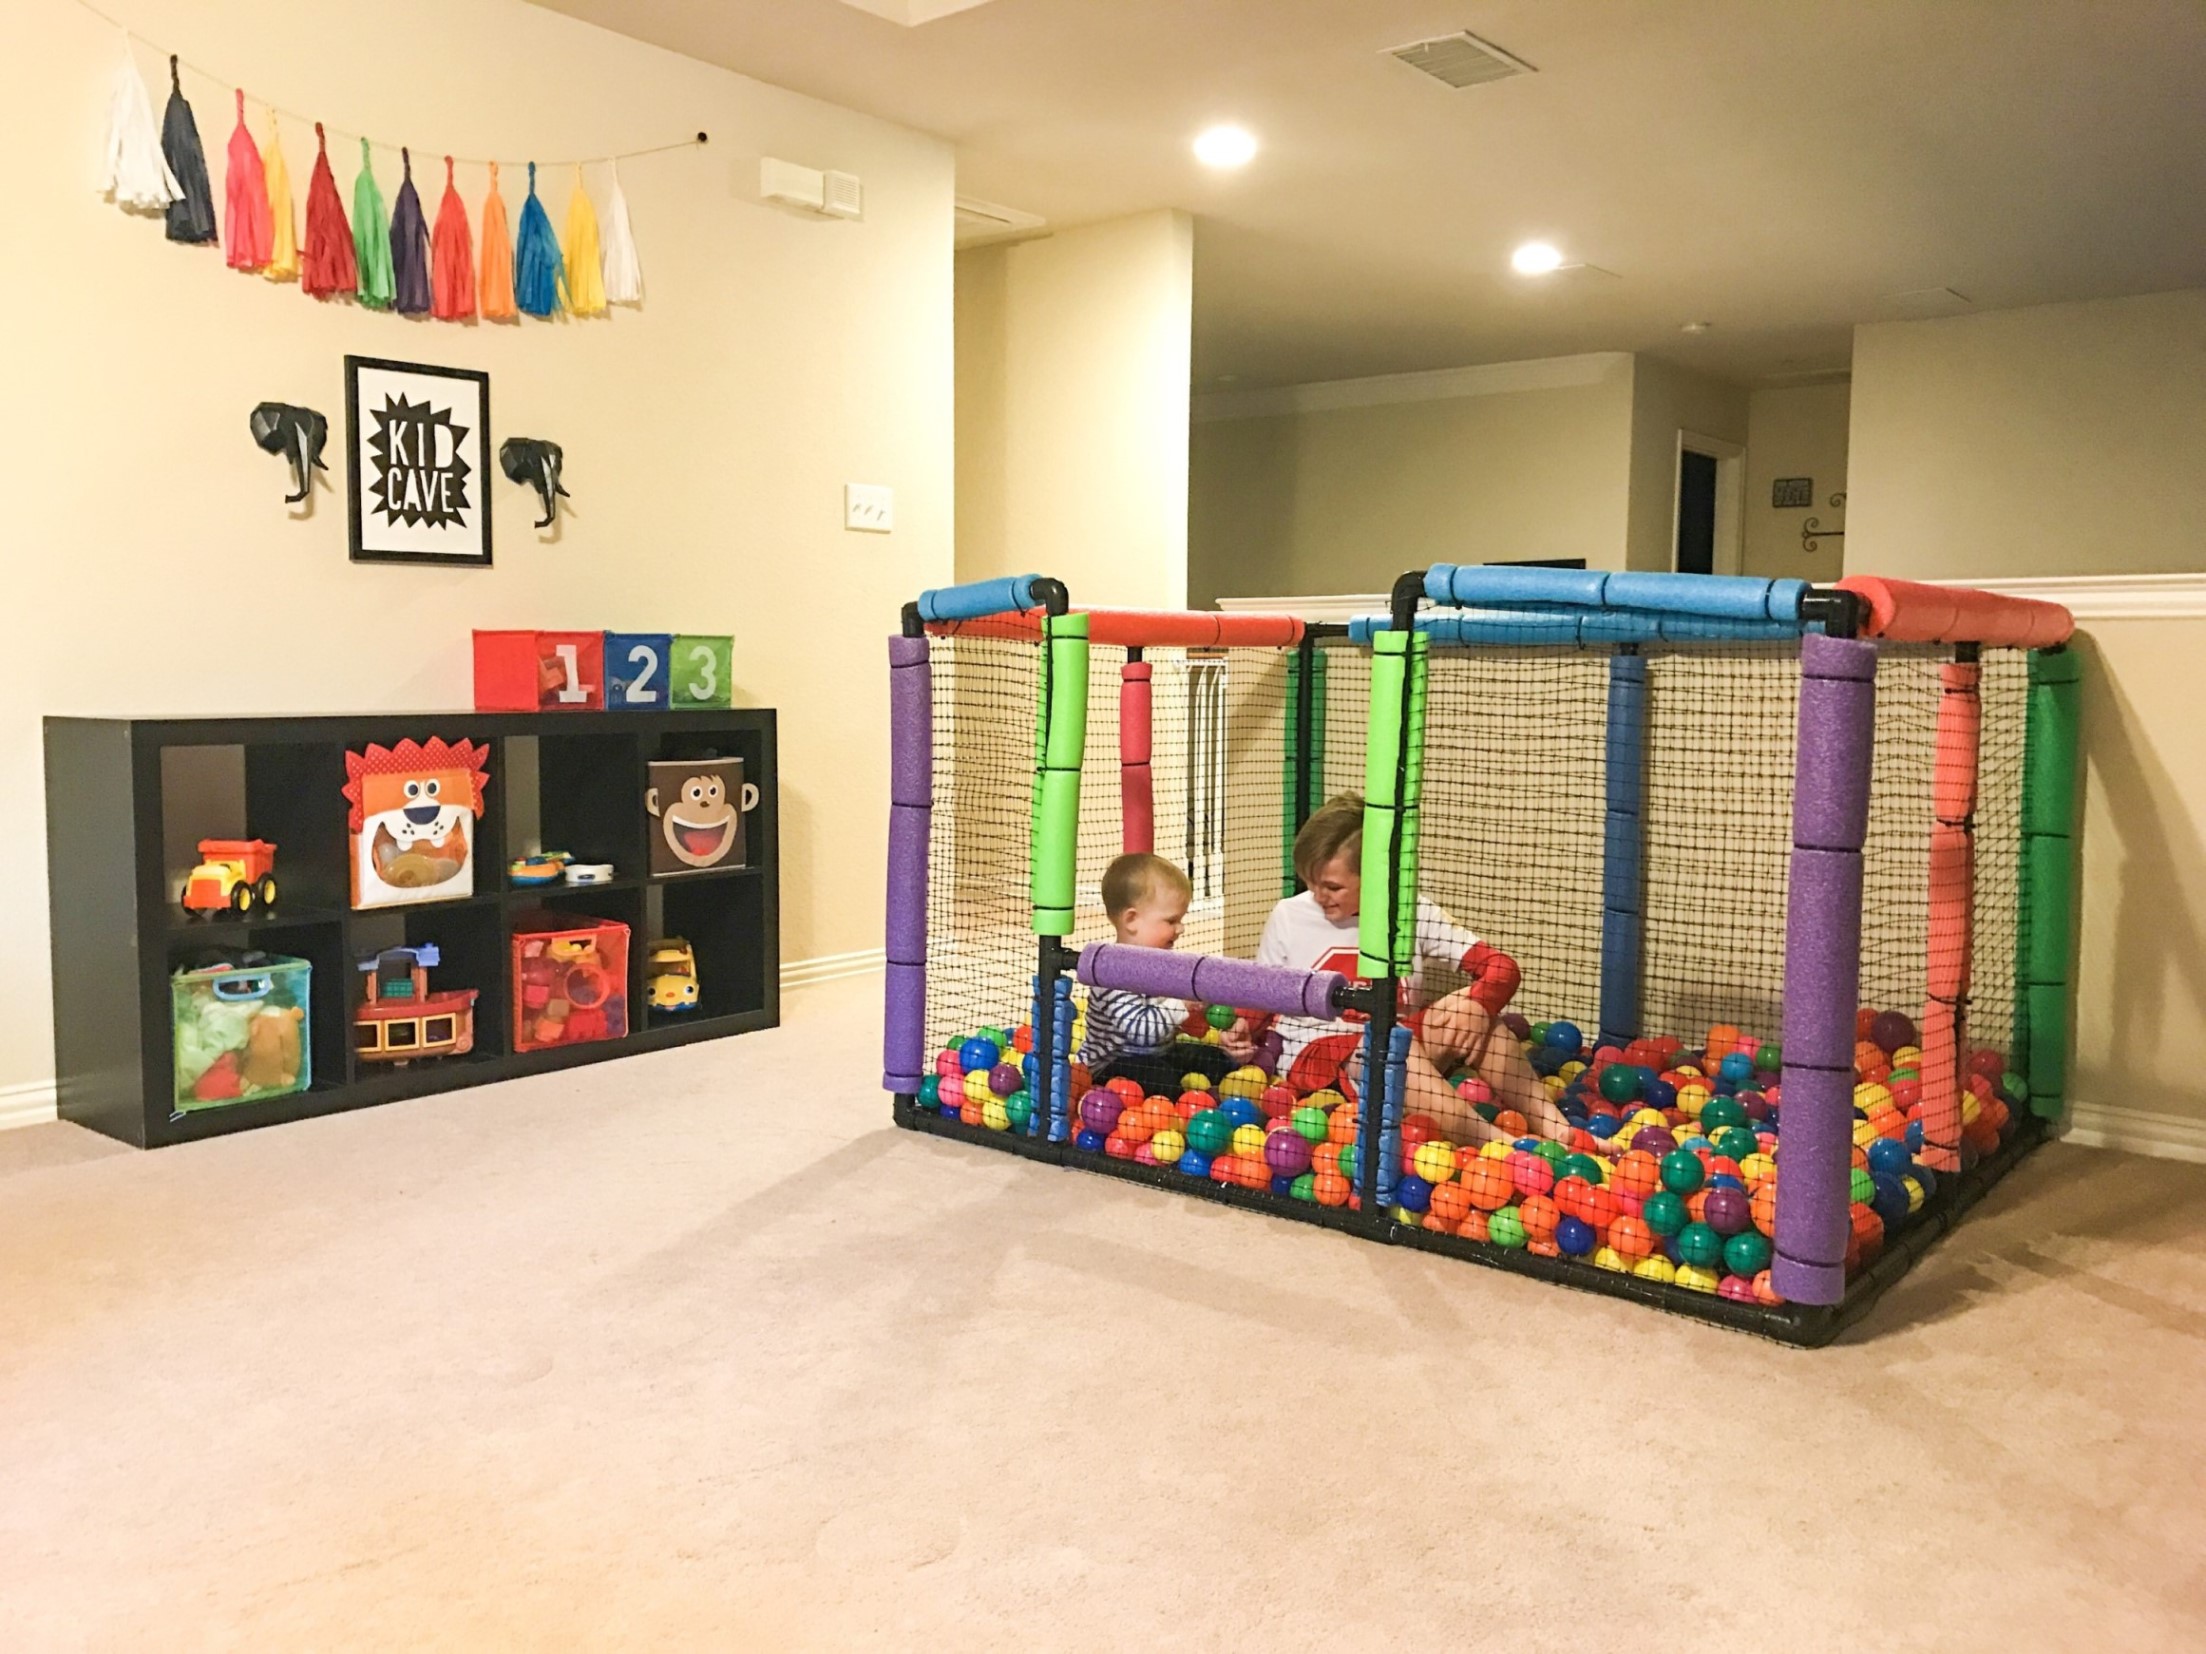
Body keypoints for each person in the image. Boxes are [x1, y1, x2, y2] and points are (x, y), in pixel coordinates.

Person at [1227, 794, 1569, 1147]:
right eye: (1310, 882)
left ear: (1376, 875)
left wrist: (1478, 1006)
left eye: (1332, 887)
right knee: (1390, 1043)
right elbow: (1263, 990)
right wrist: (1243, 1028)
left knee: (1476, 1019)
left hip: (1401, 1052)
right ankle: (1496, 1146)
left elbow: (1501, 968)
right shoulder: (1289, 915)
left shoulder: (1412, 913)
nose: (1317, 895)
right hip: (1319, 1058)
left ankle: (1558, 1130)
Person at [1079, 852, 1235, 1094]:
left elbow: (1187, 1004)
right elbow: (1142, 1033)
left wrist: (1204, 1007)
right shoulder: (1111, 972)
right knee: (1160, 1080)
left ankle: (1215, 1101)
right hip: (1111, 1065)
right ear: (1132, 920)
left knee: (1216, 1060)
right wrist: (1182, 1005)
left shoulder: (1161, 961)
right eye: (1171, 921)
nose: (1180, 928)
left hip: (1161, 1053)